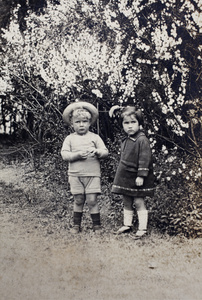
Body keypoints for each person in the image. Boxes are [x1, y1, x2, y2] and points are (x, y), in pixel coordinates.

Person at [61, 101, 108, 233]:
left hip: (92, 174)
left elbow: (105, 151)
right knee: (78, 199)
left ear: (89, 122)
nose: (81, 125)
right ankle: (76, 225)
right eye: (77, 122)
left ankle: (97, 225)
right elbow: (64, 155)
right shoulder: (69, 139)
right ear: (72, 123)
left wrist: (98, 152)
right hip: (75, 175)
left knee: (92, 200)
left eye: (84, 121)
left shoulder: (95, 137)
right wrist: (76, 155)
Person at [110, 106, 155, 239]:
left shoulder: (142, 140)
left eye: (133, 122)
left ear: (139, 123)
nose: (130, 126)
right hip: (126, 175)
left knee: (138, 201)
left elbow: (145, 159)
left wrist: (141, 175)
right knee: (126, 200)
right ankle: (127, 224)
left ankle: (142, 228)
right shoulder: (126, 140)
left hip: (137, 177)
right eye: (126, 123)